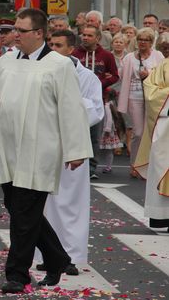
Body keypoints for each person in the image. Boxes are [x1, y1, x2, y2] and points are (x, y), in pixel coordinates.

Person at [0, 8, 92, 294]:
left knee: (25, 215)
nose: (15, 34)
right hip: (7, 150)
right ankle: (57, 258)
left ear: (39, 33)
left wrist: (76, 149)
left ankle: (17, 275)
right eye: (15, 28)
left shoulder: (58, 65)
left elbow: (71, 108)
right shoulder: (4, 62)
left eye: (21, 30)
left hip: (40, 150)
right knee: (17, 209)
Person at [42, 29, 103, 274]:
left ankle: (72, 256)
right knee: (46, 202)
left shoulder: (87, 78)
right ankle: (48, 254)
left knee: (72, 203)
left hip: (74, 144)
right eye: (50, 44)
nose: (52, 49)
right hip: (47, 143)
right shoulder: (42, 72)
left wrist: (69, 108)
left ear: (71, 49)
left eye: (58, 45)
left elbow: (96, 110)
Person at [117, 27, 165, 176]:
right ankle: (135, 165)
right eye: (140, 39)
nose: (142, 42)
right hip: (135, 96)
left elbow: (163, 73)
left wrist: (148, 74)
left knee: (152, 131)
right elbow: (121, 74)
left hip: (153, 98)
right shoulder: (130, 57)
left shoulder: (158, 56)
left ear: (151, 42)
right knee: (138, 132)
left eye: (146, 40)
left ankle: (150, 165)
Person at [73, 24, 118, 178]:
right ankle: (75, 165)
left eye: (89, 35)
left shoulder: (106, 55)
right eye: (83, 35)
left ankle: (92, 168)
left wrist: (98, 83)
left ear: (98, 38)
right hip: (76, 100)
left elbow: (114, 75)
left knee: (94, 136)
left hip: (97, 100)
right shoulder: (74, 54)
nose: (85, 38)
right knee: (76, 134)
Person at [133, 57, 169, 232]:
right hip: (165, 125)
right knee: (162, 166)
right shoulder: (165, 64)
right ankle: (163, 215)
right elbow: (150, 89)